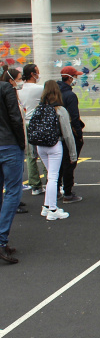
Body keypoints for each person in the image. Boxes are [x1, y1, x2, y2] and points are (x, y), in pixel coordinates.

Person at [35, 81, 76, 221]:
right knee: (53, 177)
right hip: (54, 144)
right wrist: (73, 153)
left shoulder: (39, 108)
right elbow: (68, 134)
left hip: (40, 145)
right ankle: (52, 209)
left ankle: (47, 206)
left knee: (50, 176)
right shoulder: (60, 110)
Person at [0, 73, 26, 263]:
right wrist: (21, 142)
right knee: (13, 192)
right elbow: (15, 118)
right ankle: (1, 240)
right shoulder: (6, 88)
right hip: (8, 144)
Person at [56, 66, 84, 204]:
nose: (76, 79)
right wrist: (79, 134)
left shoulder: (55, 93)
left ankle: (56, 190)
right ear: (70, 78)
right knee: (70, 161)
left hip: (56, 133)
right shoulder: (70, 96)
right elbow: (74, 117)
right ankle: (68, 192)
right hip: (68, 132)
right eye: (75, 76)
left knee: (58, 165)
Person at [18, 64, 44, 196]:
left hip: (26, 123)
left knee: (30, 155)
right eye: (37, 72)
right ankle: (52, 182)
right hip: (38, 123)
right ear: (33, 74)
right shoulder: (40, 88)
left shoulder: (19, 89)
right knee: (45, 152)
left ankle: (35, 185)